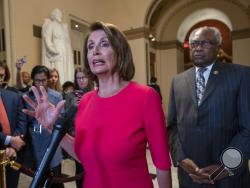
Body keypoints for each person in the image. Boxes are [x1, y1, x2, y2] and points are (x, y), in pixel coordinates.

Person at [23, 21, 172, 188]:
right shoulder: (86, 101)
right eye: (90, 46)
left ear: (120, 51)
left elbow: (162, 164)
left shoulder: (146, 97)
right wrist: (52, 128)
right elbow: (82, 155)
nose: (95, 51)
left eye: (104, 44)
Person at [167, 26, 250, 188]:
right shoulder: (178, 81)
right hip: (190, 176)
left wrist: (226, 166)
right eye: (194, 44)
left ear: (218, 47)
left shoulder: (241, 75)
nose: (197, 48)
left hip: (229, 179)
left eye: (205, 43)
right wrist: (181, 159)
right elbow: (172, 126)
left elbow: (247, 128)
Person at [24, 65, 64, 188]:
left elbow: (62, 121)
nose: (41, 83)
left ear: (48, 80)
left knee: (56, 182)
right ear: (32, 80)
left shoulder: (56, 96)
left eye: (44, 80)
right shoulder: (27, 96)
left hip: (52, 142)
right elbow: (25, 121)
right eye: (37, 80)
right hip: (35, 144)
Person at [0, 60, 27, 188]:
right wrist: (10, 140)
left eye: (1, 75)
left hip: (13, 155)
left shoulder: (14, 97)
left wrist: (14, 146)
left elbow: (22, 123)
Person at [42, 8, 74, 84]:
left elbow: (67, 40)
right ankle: (60, 85)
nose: (59, 15)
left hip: (65, 51)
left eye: (60, 13)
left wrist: (70, 53)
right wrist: (52, 49)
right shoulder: (51, 24)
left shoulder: (63, 27)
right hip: (57, 50)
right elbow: (47, 37)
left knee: (66, 69)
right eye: (57, 13)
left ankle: (67, 85)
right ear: (54, 15)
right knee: (59, 69)